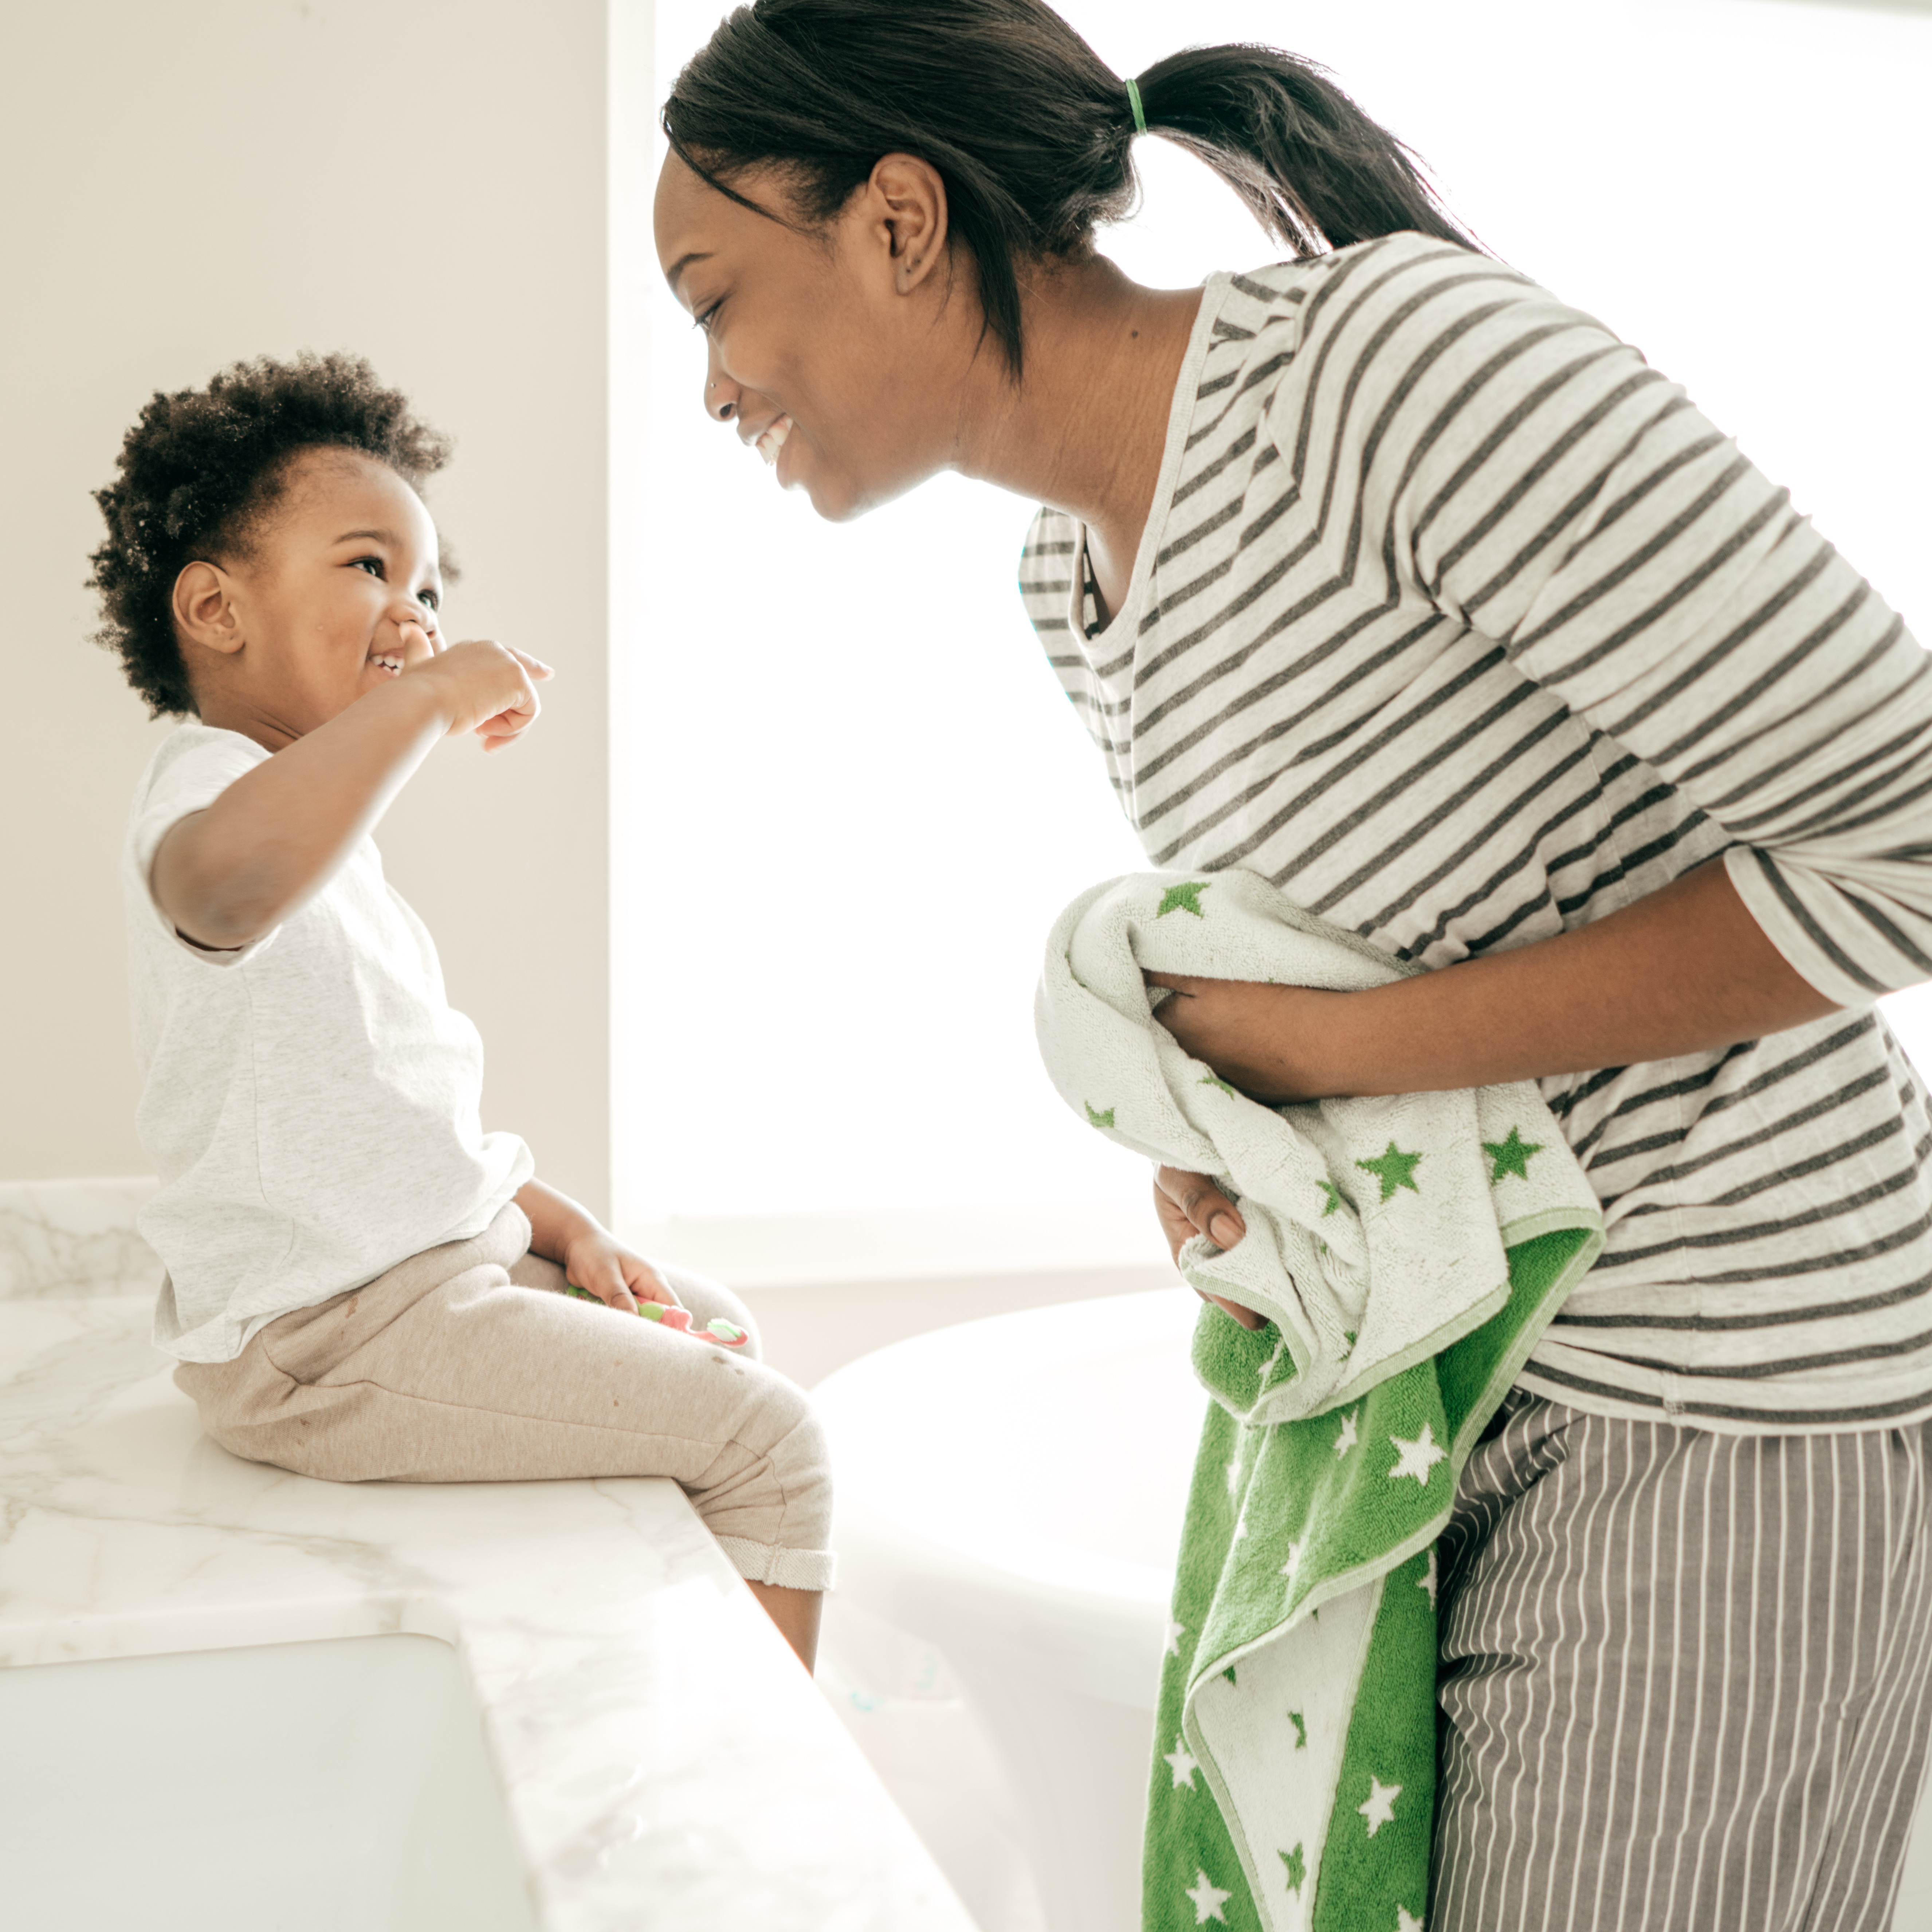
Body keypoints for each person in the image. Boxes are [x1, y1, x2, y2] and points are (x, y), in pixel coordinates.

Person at [651, 1, 1932, 1922]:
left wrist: (1346, 1055)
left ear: (898, 221)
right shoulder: (1069, 579)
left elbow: (1900, 832)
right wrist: (1254, 1133)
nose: (712, 385)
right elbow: (1414, 951)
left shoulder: (1387, 371)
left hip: (1729, 1394)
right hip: (1453, 1407)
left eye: (712, 295)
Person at [89, 353, 831, 1669]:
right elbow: (214, 890)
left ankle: (656, 1671)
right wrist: (428, 698)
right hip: (320, 1338)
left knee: (707, 1324)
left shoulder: (335, 858)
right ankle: (767, 1793)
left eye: (430, 589)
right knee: (773, 1440)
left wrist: (567, 1225)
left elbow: (404, 1131)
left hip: (420, 1281)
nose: (415, 610)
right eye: (370, 566)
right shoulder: (205, 793)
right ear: (213, 607)